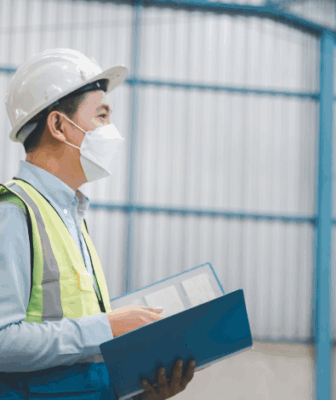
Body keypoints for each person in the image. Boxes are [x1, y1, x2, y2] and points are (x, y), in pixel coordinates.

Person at [0, 49, 193, 400]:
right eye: (101, 115)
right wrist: (108, 327)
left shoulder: (70, 215)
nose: (111, 131)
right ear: (59, 125)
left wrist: (140, 392)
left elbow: (77, 363)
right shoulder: (13, 213)